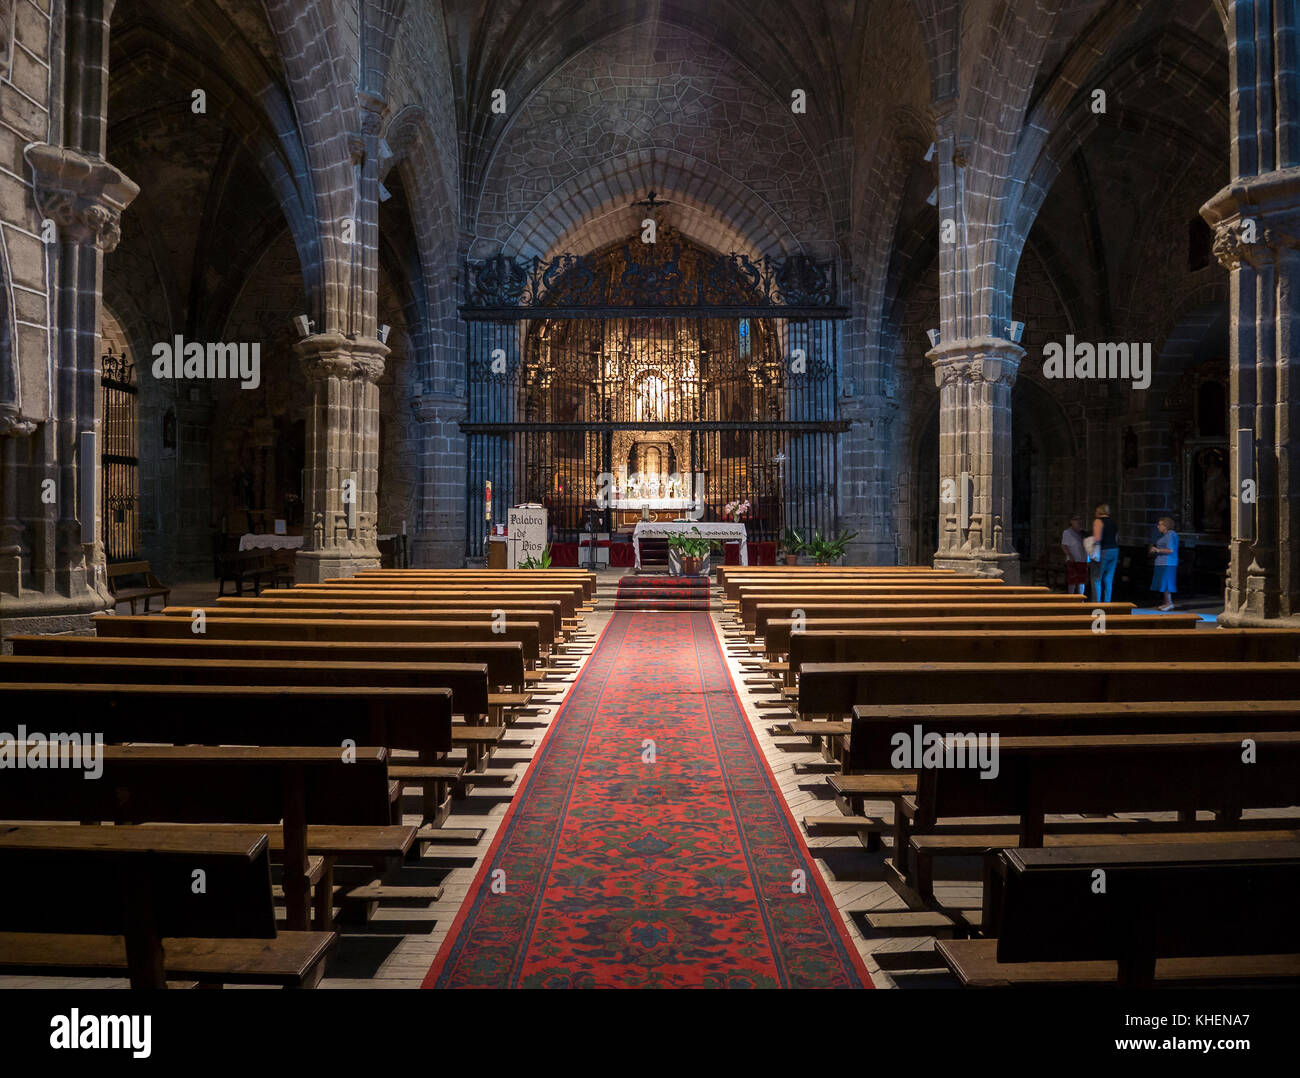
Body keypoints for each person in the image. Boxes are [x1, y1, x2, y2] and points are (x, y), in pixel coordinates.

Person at [1148, 516, 1179, 611]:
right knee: (1163, 583)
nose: (1158, 526)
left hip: (1168, 562)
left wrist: (1157, 550)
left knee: (1166, 583)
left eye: (1160, 524)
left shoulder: (1171, 534)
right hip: (1161, 562)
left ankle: (1169, 603)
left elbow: (1170, 550)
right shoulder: (1165, 535)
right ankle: (1166, 602)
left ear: (1166, 525)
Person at [1091, 503, 1119, 603]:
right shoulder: (1113, 522)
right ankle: (1107, 603)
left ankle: (1096, 603)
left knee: (1096, 578)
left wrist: (1088, 542)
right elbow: (1116, 538)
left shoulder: (1098, 521)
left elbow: (1097, 538)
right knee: (1108, 578)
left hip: (1103, 551)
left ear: (1099, 511)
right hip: (1114, 550)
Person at [1060, 514, 1088, 594]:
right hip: (1072, 559)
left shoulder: (1083, 532)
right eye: (1076, 519)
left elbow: (1087, 545)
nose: (1078, 521)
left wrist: (1088, 558)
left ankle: (1080, 599)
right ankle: (1071, 599)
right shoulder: (1067, 532)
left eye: (1079, 519)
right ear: (1071, 521)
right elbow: (1063, 545)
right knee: (1072, 581)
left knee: (1081, 581)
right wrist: (1070, 556)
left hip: (1082, 559)